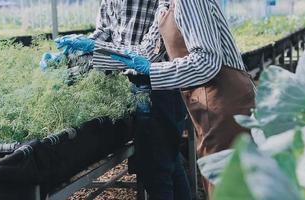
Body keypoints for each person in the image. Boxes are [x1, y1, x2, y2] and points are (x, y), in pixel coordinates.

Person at [64, 0, 255, 198]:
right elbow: (145, 51)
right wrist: (90, 52)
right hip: (205, 99)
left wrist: (151, 70)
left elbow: (207, 61)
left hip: (224, 99)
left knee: (229, 185)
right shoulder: (165, 5)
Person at [40, 0, 192, 199]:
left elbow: (148, 52)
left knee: (158, 170)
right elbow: (104, 31)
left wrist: (93, 48)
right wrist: (70, 54)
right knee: (166, 163)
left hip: (158, 85)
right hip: (133, 84)